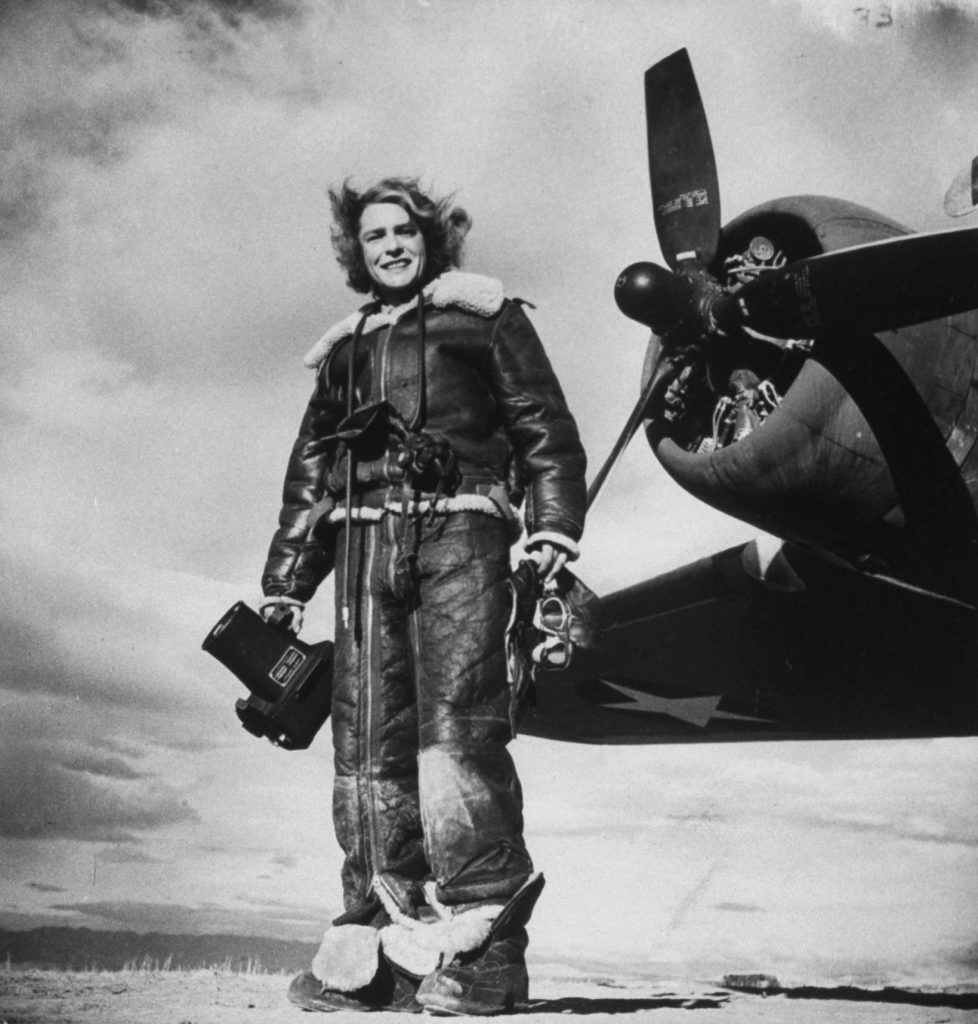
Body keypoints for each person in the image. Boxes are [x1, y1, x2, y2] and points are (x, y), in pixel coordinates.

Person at [259, 177, 586, 1014]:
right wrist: (286, 585)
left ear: (429, 237)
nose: (391, 247)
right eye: (374, 237)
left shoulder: (487, 318)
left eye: (403, 231)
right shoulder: (341, 353)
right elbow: (311, 474)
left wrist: (550, 529)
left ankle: (485, 957)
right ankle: (372, 959)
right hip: (363, 545)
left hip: (462, 536)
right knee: (364, 745)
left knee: (456, 737)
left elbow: (543, 427)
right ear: (357, 253)